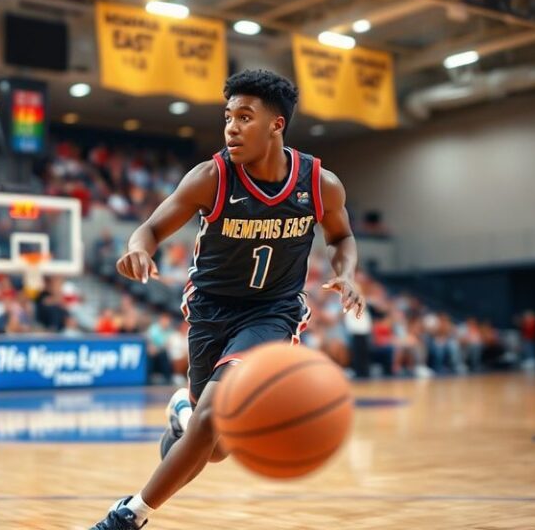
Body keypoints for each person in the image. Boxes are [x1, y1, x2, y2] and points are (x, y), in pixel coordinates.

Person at [88, 69, 364, 530]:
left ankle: (127, 516)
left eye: (245, 117)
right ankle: (182, 414)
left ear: (276, 125)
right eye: (228, 117)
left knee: (215, 416)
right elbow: (152, 227)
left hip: (272, 312)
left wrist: (347, 273)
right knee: (214, 446)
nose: (232, 127)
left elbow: (341, 237)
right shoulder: (211, 177)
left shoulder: (319, 183)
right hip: (211, 310)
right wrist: (138, 248)